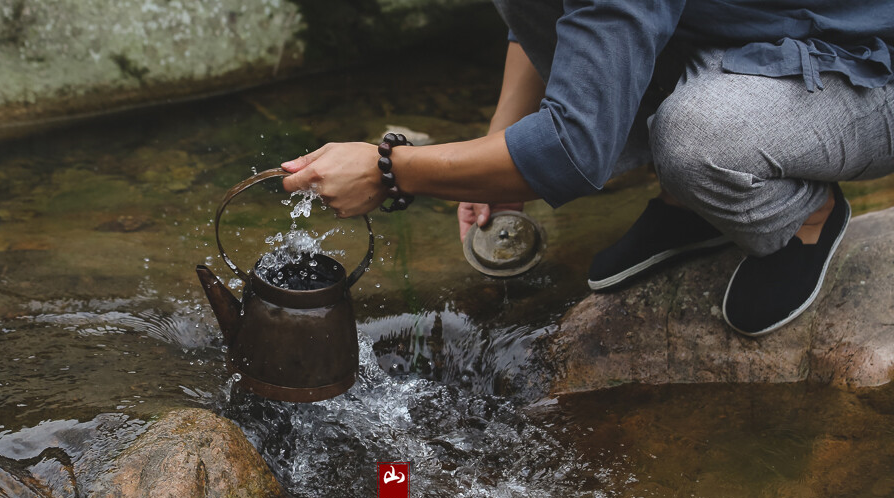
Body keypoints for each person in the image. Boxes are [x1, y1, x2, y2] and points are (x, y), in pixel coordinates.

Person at [281, 1, 894, 337]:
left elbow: (575, 148)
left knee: (697, 137)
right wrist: (498, 144)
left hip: (859, 65)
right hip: (745, 29)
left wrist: (391, 172)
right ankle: (691, 200)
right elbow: (548, 16)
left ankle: (801, 217)